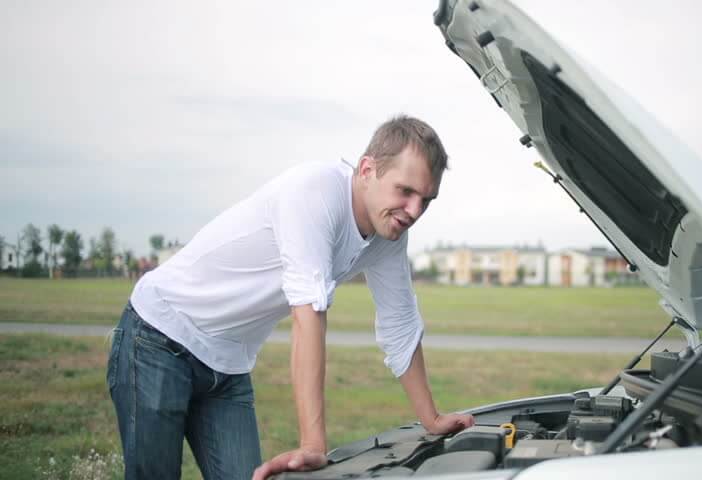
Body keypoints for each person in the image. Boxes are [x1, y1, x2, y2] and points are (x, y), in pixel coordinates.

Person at [106, 115, 475, 480]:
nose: (414, 211)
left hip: (228, 364)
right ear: (367, 169)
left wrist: (432, 419)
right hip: (158, 336)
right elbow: (309, 312)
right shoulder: (315, 192)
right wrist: (313, 444)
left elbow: (400, 324)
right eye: (405, 191)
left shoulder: (389, 234)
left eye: (426, 199)